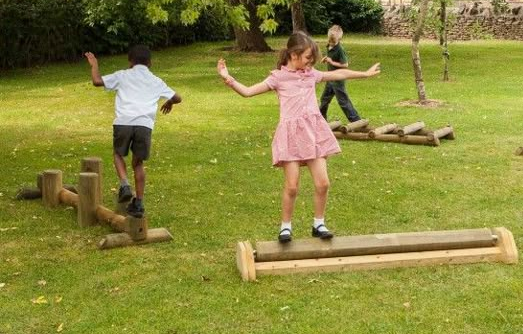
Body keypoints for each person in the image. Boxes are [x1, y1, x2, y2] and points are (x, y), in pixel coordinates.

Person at [217, 31, 380, 243]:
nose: (311, 62)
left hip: (314, 133)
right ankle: (285, 227)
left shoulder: (311, 74)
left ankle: (318, 223)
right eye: (307, 58)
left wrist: (364, 74)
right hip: (291, 136)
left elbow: (338, 74)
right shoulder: (278, 77)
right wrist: (227, 77)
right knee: (292, 186)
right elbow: (248, 92)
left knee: (323, 183)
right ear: (293, 55)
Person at [85, 46, 181, 217]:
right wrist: (169, 102)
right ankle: (139, 204)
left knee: (117, 154)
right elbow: (177, 97)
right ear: (150, 63)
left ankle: (124, 184)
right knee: (138, 163)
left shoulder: (123, 75)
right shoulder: (156, 80)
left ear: (130, 62)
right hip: (144, 125)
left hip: (124, 121)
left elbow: (97, 81)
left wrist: (94, 64)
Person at [319, 24, 361, 123]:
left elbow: (345, 65)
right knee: (324, 100)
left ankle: (356, 121)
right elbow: (330, 56)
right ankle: (321, 121)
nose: (331, 43)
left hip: (338, 80)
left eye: (333, 42)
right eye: (330, 41)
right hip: (330, 78)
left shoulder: (340, 50)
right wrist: (326, 59)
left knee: (343, 102)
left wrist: (332, 62)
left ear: (339, 39)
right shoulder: (329, 46)